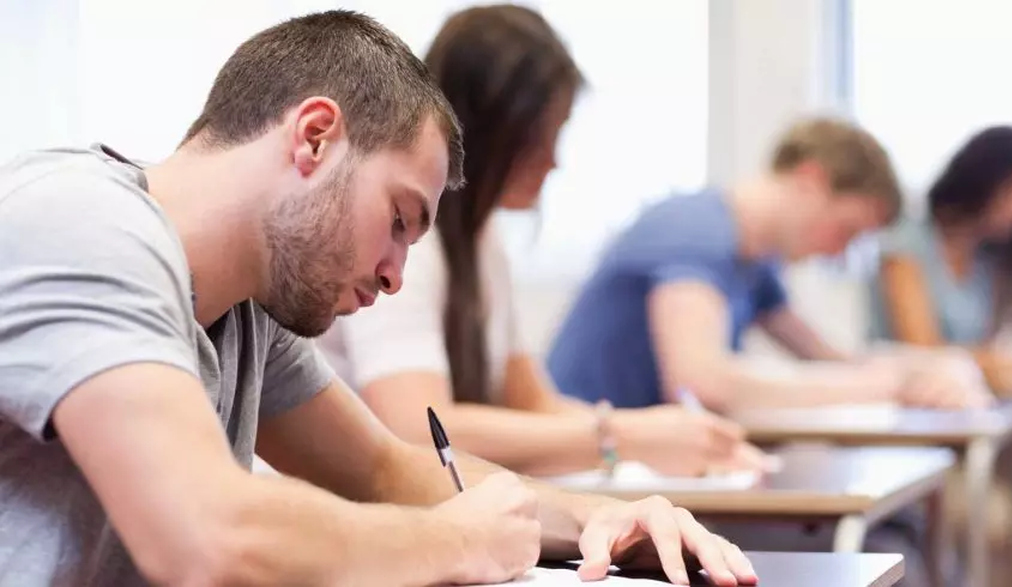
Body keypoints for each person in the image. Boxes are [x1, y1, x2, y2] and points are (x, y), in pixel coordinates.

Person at [0, 11, 755, 587]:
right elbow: (210, 534)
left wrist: (607, 519)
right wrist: (461, 540)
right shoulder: (82, 223)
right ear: (316, 137)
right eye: (397, 220)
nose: (394, 274)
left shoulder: (247, 308)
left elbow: (391, 473)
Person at [321, 4, 763, 479]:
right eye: (548, 136)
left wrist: (668, 440)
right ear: (499, 132)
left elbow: (531, 401)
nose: (555, 162)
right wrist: (623, 437)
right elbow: (418, 428)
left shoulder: (482, 240)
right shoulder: (406, 243)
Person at [546, 117, 991, 413]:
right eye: (846, 230)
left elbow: (828, 357)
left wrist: (933, 367)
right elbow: (700, 382)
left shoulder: (756, 262)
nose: (838, 252)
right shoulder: (696, 230)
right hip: (587, 462)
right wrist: (885, 386)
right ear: (811, 181)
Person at [868, 125, 1012, 398]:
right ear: (990, 180)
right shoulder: (905, 242)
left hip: (960, 402)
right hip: (904, 401)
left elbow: (979, 355)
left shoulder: (988, 260)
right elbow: (925, 351)